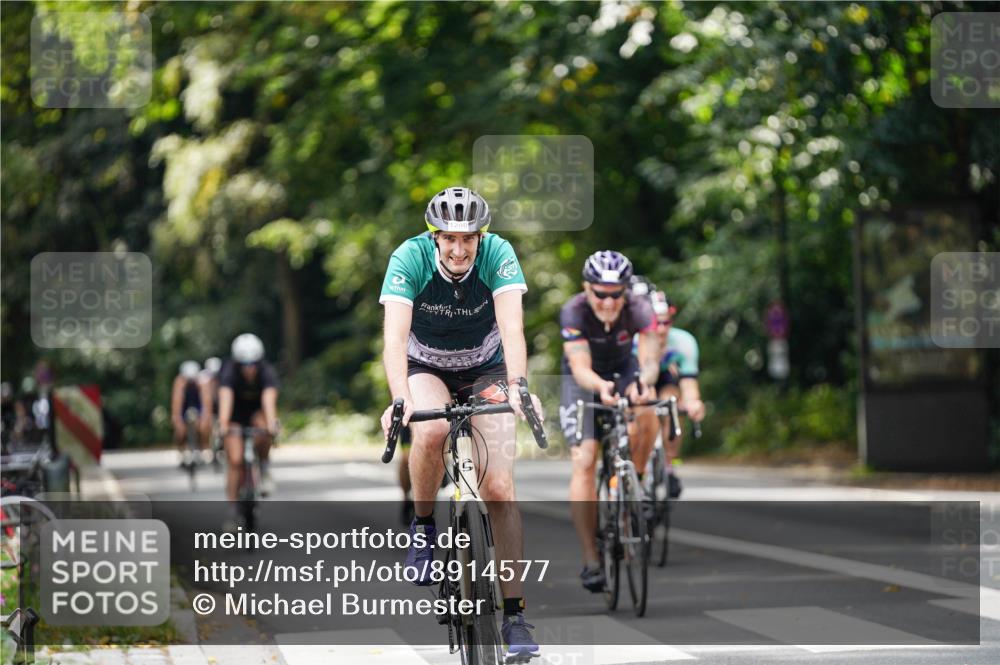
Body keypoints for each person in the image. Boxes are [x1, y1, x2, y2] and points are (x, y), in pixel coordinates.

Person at [378, 186, 542, 661]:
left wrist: (519, 387)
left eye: (468, 238)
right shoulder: (408, 258)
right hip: (425, 367)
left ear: (480, 238)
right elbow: (395, 339)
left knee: (500, 489)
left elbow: (512, 328)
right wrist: (400, 398)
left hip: (487, 368)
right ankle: (423, 525)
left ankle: (515, 616)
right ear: (434, 237)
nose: (458, 249)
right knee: (430, 430)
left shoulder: (499, 254)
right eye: (448, 238)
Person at [558, 251, 661, 593]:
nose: (608, 301)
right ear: (587, 288)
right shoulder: (574, 311)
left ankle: (637, 484)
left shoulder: (640, 308)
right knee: (585, 459)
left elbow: (649, 361)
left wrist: (643, 381)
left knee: (647, 410)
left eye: (616, 294)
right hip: (583, 380)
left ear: (626, 291)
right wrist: (601, 387)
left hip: (624, 369)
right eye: (601, 293)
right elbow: (580, 367)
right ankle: (591, 559)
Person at [640, 287, 705, 497]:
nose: (660, 329)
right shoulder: (633, 339)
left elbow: (689, 381)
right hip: (639, 377)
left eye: (665, 322)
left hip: (665, 377)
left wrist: (693, 402)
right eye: (655, 323)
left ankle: (669, 464)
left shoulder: (683, 342)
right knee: (643, 405)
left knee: (672, 403)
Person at [218, 334, 280, 525]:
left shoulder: (266, 371)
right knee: (235, 460)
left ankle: (264, 466)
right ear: (237, 363)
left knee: (265, 427)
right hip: (235, 416)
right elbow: (225, 400)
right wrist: (223, 424)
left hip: (256, 413)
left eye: (253, 364)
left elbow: (268, 400)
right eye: (244, 364)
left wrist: (272, 424)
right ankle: (232, 511)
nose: (249, 368)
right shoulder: (229, 372)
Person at [171, 361, 211, 466]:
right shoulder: (179, 382)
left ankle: (203, 448)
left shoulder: (202, 382)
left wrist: (204, 420)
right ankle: (181, 451)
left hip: (198, 404)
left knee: (204, 427)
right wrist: (178, 421)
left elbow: (206, 403)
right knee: (179, 430)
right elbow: (177, 404)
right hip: (185, 405)